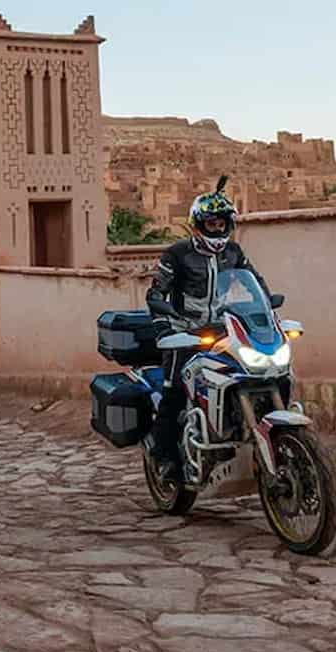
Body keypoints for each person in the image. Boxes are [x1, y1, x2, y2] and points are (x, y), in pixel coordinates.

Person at [145, 175, 272, 483]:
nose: (217, 229)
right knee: (174, 393)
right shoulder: (177, 254)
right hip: (185, 332)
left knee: (258, 372)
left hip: (224, 329)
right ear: (198, 225)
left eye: (222, 223)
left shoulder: (234, 253)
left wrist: (267, 307)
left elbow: (252, 280)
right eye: (211, 224)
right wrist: (165, 326)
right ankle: (164, 458)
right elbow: (155, 294)